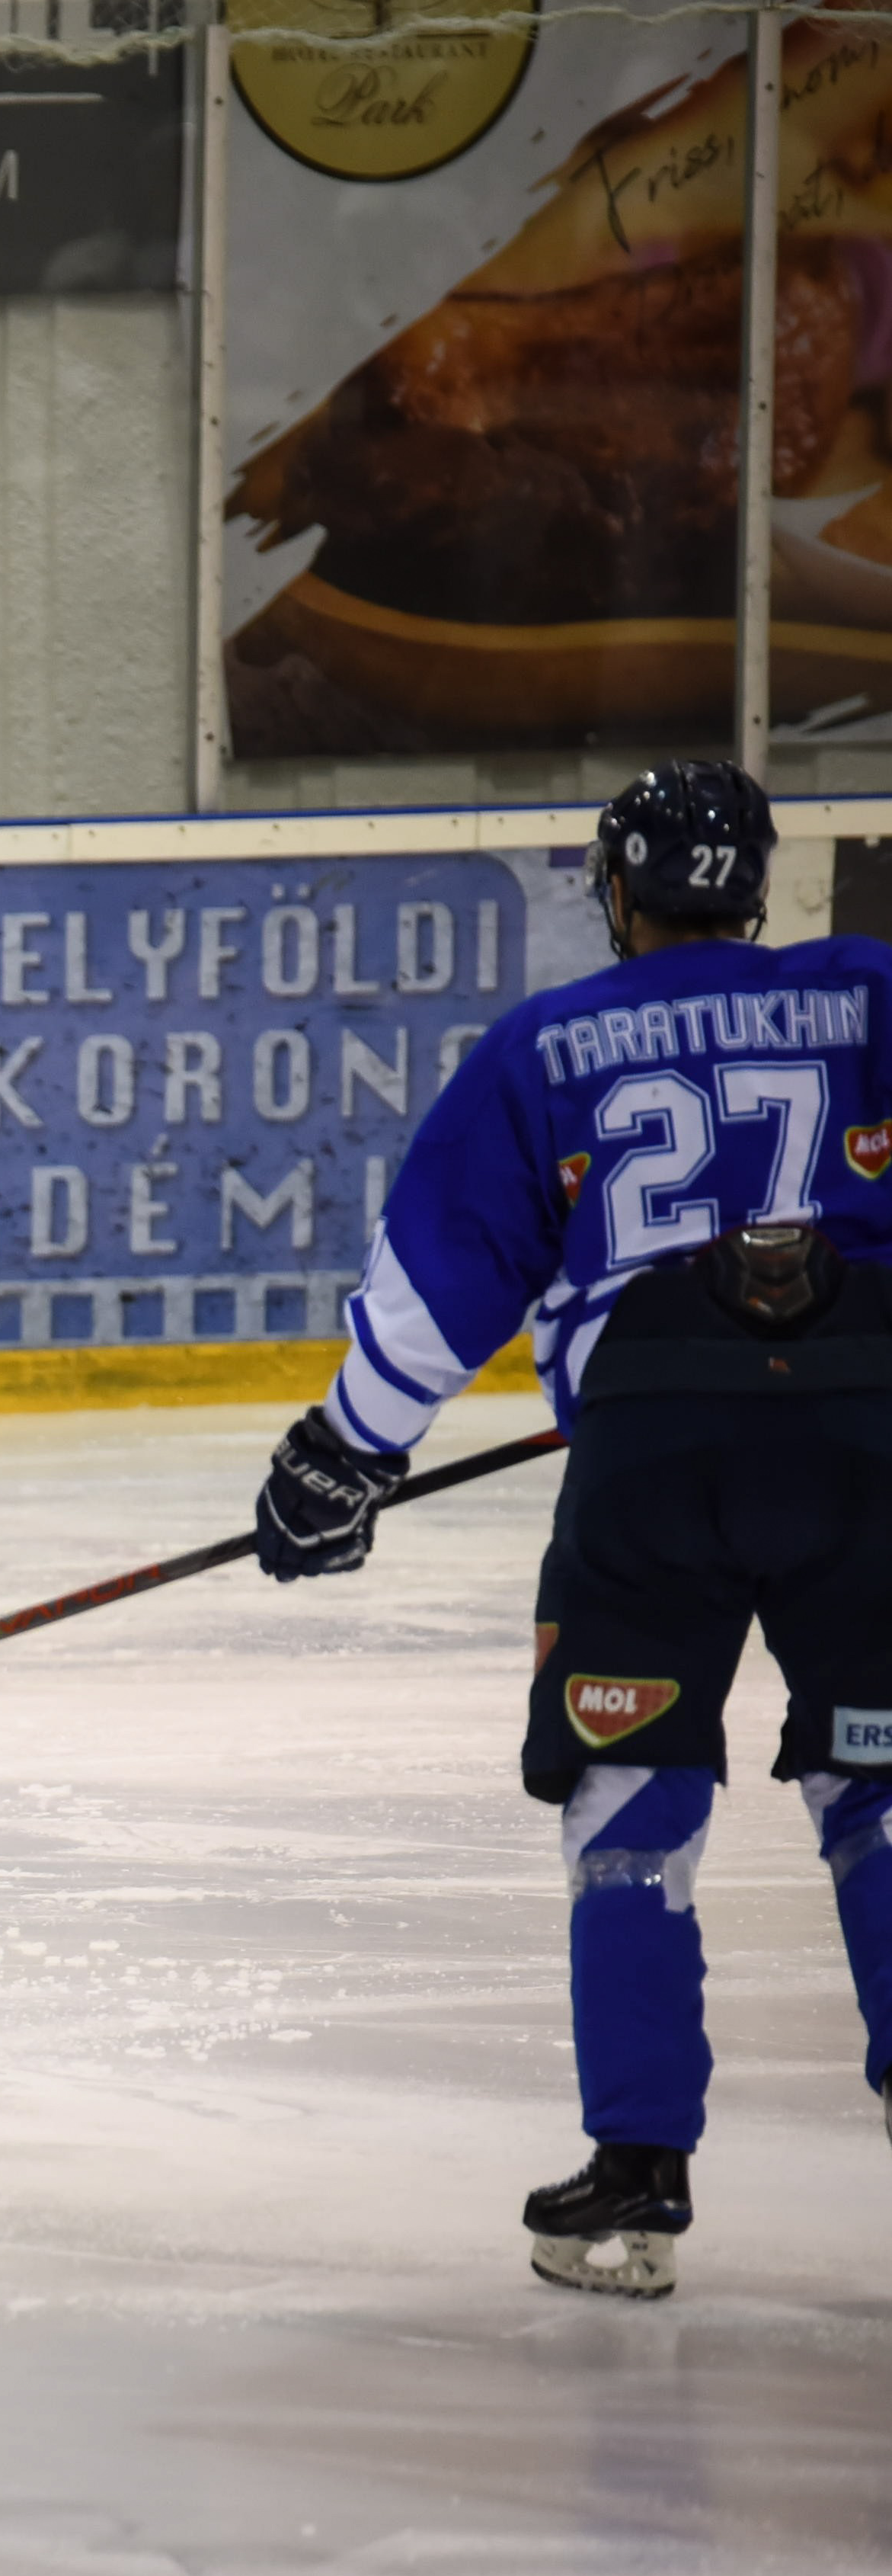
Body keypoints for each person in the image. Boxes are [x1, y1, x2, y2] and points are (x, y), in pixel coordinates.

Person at [255, 760, 892, 2299]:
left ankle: (632, 2185)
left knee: (629, 1789)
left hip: (648, 1455)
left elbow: (443, 1279)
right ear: (748, 880)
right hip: (867, 1431)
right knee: (880, 1782)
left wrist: (343, 1453)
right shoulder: (868, 991)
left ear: (615, 888)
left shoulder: (548, 1040)